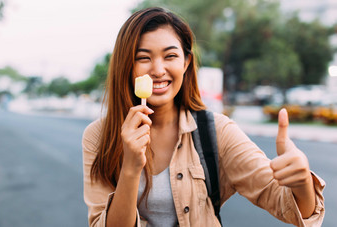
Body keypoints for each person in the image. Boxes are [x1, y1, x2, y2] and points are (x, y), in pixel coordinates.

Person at [82, 7, 325, 227]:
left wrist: (302, 182)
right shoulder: (98, 137)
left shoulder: (216, 131)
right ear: (126, 65)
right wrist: (130, 169)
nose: (157, 70)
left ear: (186, 62)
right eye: (143, 57)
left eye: (170, 56)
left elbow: (289, 207)